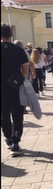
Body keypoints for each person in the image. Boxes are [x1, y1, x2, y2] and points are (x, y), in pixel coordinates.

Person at [1, 22, 29, 156]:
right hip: (15, 87)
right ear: (11, 35)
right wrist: (20, 80)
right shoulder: (19, 50)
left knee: (3, 114)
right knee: (17, 114)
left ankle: (7, 138)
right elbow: (25, 69)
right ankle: (16, 142)